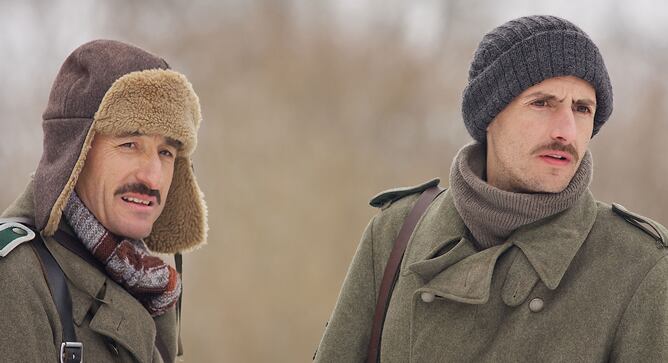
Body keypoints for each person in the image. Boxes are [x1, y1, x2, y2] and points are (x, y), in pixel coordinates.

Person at [314, 15, 668, 362]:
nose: (566, 131)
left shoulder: (641, 266)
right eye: (542, 103)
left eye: (582, 109)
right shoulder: (397, 233)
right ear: (490, 115)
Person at [0, 40, 207, 362]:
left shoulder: (147, 283)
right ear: (75, 154)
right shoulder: (15, 277)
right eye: (129, 144)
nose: (153, 178)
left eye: (166, 152)